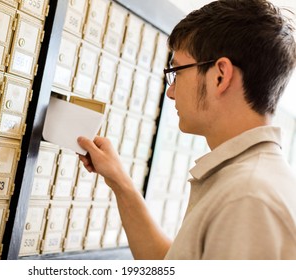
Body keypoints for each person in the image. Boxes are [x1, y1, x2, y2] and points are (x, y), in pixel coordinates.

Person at [77, 0, 296, 260]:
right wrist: (119, 182)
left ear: (220, 76)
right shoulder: (246, 181)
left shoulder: (248, 198)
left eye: (176, 71)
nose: (170, 92)